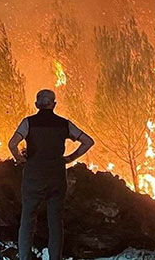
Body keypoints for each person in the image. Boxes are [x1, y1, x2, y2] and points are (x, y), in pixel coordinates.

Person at [8, 89, 95, 260]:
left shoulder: (28, 123)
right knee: (55, 222)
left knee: (27, 220)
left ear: (36, 105)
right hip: (56, 176)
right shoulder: (64, 124)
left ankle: (24, 257)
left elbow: (12, 144)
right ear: (54, 105)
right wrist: (70, 158)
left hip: (33, 176)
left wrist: (20, 159)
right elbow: (88, 141)